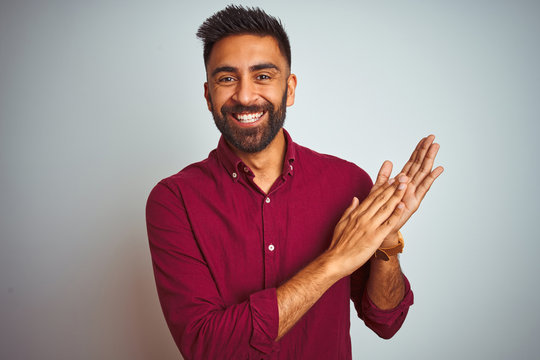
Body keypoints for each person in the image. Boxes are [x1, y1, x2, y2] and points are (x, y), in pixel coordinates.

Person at [146, 5, 443, 360]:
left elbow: (387, 320)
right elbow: (209, 348)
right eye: (227, 78)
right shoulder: (174, 200)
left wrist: (386, 242)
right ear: (209, 95)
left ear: (289, 89)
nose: (244, 96)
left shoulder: (347, 182)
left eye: (263, 76)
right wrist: (333, 262)